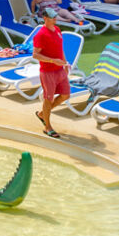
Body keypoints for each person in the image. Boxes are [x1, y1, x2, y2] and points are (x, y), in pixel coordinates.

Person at [32, 8, 70, 138]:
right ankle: (47, 127)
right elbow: (35, 55)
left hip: (60, 70)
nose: (55, 18)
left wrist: (65, 63)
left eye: (55, 16)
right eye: (52, 17)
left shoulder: (57, 30)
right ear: (45, 18)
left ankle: (42, 114)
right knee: (49, 99)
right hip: (48, 72)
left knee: (65, 95)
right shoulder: (41, 35)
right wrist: (52, 60)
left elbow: (60, 49)